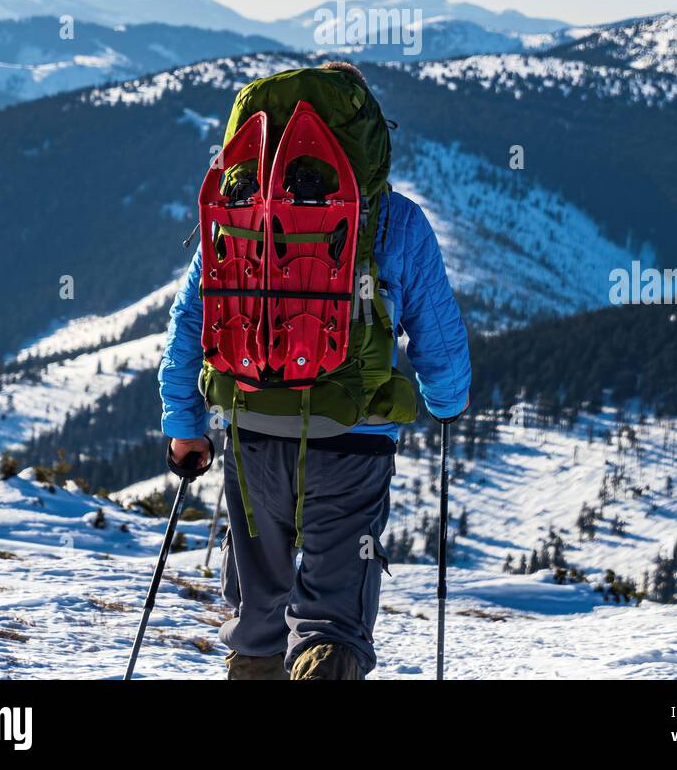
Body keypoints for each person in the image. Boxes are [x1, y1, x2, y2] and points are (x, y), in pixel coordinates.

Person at [158, 61, 471, 681]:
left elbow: (191, 321)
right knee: (333, 622)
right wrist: (446, 401)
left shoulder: (238, 211)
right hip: (352, 445)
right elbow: (438, 338)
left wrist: (184, 424)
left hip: (251, 437)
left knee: (258, 614)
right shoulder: (396, 220)